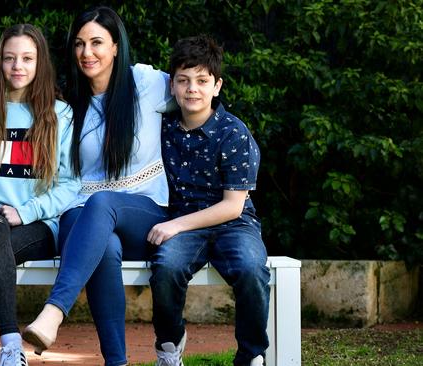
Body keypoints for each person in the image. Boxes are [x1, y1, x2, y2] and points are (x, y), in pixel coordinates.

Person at [23, 6, 174, 366]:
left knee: (103, 203)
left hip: (144, 212)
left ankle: (53, 313)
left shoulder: (149, 84)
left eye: (96, 43)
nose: (86, 53)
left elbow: (197, 92)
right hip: (81, 213)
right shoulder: (68, 104)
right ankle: (116, 362)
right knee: (102, 245)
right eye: (79, 44)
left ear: (116, 46)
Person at [146, 35, 269, 366]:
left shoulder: (234, 133)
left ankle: (251, 356)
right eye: (184, 81)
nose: (192, 89)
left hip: (233, 223)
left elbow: (233, 205)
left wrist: (175, 224)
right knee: (166, 268)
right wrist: (178, 225)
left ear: (217, 86)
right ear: (172, 85)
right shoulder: (163, 128)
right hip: (186, 224)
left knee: (251, 268)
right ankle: (169, 346)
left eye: (202, 81)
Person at [0, 24, 79, 366]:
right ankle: (11, 344)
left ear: (40, 63)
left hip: (39, 224)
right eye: (10, 58)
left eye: (27, 59)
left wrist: (27, 211)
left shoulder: (60, 114)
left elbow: (71, 184)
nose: (18, 66)